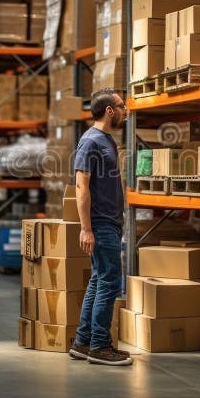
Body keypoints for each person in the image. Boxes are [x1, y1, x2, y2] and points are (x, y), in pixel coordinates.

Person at [68, 88, 132, 366]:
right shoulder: (91, 141)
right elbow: (81, 187)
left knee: (98, 280)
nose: (125, 110)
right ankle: (100, 346)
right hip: (100, 224)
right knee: (109, 282)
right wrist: (86, 229)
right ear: (109, 111)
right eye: (121, 106)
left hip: (109, 223)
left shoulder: (104, 140)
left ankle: (83, 342)